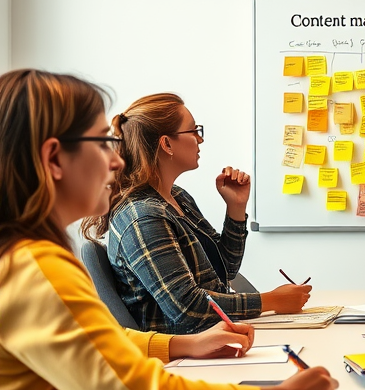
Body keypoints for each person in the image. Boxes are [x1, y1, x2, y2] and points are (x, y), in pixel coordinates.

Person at [0, 69, 337, 390]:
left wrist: (178, 346)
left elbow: (98, 344)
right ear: (55, 158)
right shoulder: (39, 270)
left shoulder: (25, 261)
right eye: (102, 143)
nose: (116, 162)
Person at [84, 93, 310, 335]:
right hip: (186, 351)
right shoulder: (143, 217)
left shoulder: (177, 197)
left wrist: (236, 208)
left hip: (214, 335)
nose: (200, 139)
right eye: (193, 131)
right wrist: (271, 301)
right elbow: (187, 310)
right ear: (167, 144)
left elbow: (225, 271)